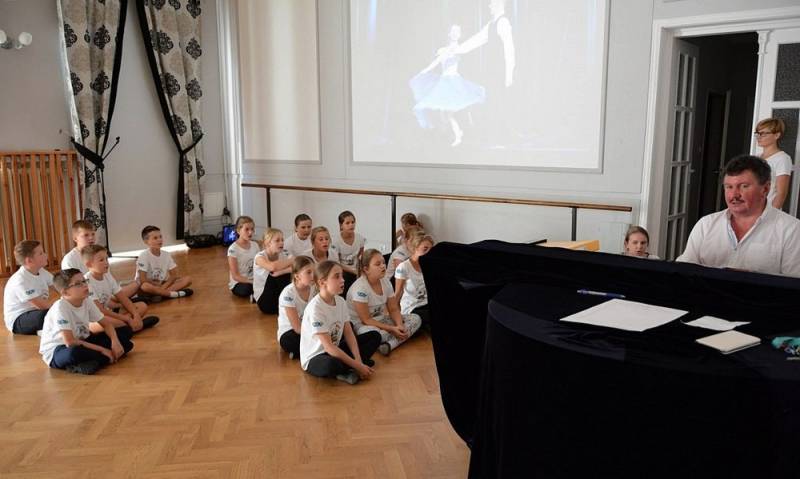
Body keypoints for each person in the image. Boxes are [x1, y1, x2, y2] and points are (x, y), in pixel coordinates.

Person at [677, 154, 800, 277]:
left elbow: (794, 283)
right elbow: (683, 271)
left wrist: (751, 279)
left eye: (744, 186)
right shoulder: (706, 224)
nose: (734, 195)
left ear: (765, 189)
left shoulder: (791, 230)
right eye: (729, 187)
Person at [38, 268, 134, 375]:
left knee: (125, 337)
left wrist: (115, 342)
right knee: (74, 353)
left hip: (83, 341)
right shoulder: (60, 307)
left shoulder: (87, 300)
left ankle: (94, 362)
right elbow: (70, 342)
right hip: (59, 349)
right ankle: (97, 359)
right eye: (78, 284)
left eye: (84, 281)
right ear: (65, 292)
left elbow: (106, 324)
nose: (85, 285)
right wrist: (102, 349)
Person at [300, 261, 380, 385]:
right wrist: (358, 365)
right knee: (331, 364)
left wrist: (358, 361)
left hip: (335, 349)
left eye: (342, 276)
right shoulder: (315, 308)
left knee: (374, 336)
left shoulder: (341, 301)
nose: (343, 280)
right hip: (316, 357)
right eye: (337, 276)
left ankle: (350, 368)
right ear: (322, 282)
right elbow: (328, 347)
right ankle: (349, 369)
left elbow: (349, 334)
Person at [410, 24, 486, 146]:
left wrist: (428, 68)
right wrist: (425, 71)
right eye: (453, 31)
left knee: (452, 109)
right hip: (444, 80)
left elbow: (444, 58)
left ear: (460, 35)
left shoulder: (458, 48)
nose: (456, 33)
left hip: (454, 80)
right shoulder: (442, 50)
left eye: (458, 31)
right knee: (444, 111)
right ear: (449, 33)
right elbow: (437, 61)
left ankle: (460, 133)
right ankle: (456, 133)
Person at [347, 249, 422, 356]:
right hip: (363, 325)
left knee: (416, 318)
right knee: (375, 335)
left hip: (382, 320)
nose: (383, 266)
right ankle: (394, 340)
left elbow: (393, 309)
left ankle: (389, 345)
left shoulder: (386, 282)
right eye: (378, 264)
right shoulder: (360, 288)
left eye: (383, 262)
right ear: (366, 269)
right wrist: (392, 329)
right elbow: (366, 320)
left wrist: (400, 325)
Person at [83, 245, 158, 332]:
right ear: (89, 264)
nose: (106, 262)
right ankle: (133, 326)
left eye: (106, 259)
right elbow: (100, 311)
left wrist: (136, 315)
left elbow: (123, 298)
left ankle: (127, 327)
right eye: (101, 260)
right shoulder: (86, 282)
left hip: (107, 314)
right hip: (93, 320)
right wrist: (127, 319)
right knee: (105, 322)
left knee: (142, 306)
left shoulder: (107, 275)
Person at [62, 219, 139, 299]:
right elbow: (73, 287)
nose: (91, 238)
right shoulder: (69, 259)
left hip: (104, 293)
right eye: (86, 235)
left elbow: (108, 279)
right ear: (75, 238)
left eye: (93, 234)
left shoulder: (98, 253)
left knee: (135, 285)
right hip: (86, 296)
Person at [3, 240, 54, 334]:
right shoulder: (20, 280)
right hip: (19, 319)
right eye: (41, 253)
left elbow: (59, 285)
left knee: (58, 311)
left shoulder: (41, 271)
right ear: (29, 261)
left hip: (35, 312)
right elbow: (42, 305)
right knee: (49, 314)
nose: (46, 255)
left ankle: (47, 329)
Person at [135, 225, 193, 301]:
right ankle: (172, 294)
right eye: (155, 238)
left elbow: (174, 275)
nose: (159, 240)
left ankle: (159, 294)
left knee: (188, 279)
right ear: (146, 241)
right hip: (148, 286)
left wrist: (162, 287)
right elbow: (143, 279)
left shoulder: (166, 255)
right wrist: (156, 284)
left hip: (161, 285)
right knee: (145, 286)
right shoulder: (143, 255)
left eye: (160, 237)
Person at [277, 256, 315, 359]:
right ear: (297, 276)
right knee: (290, 341)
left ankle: (307, 351)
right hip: (292, 332)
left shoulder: (315, 288)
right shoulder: (288, 293)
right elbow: (297, 328)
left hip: (312, 327)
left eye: (314, 271)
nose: (313, 275)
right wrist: (319, 335)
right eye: (308, 272)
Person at [393, 231, 434, 329]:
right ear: (415, 248)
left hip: (426, 304)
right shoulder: (404, 267)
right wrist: (393, 315)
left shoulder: (429, 265)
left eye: (431, 249)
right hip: (412, 308)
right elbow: (398, 293)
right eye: (425, 249)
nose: (429, 252)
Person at [755, 118, 793, 209]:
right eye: (757, 133)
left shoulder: (782, 158)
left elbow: (781, 193)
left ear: (777, 135)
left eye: (763, 134)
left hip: (767, 209)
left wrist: (771, 214)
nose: (759, 137)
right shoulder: (756, 157)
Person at [253, 228, 293, 314]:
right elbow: (272, 267)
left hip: (278, 295)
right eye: (277, 240)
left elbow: (296, 266)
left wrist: (281, 271)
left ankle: (290, 303)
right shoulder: (259, 257)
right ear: (268, 243)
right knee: (277, 274)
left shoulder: (285, 253)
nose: (281, 243)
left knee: (286, 273)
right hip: (264, 301)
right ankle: (288, 304)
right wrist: (291, 261)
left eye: (282, 240)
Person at [332, 210, 365, 293]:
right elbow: (336, 263)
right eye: (347, 223)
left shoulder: (360, 238)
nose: (351, 225)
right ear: (341, 225)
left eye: (353, 222)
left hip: (356, 270)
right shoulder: (335, 241)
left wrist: (360, 271)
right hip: (343, 271)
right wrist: (353, 271)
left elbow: (361, 256)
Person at [227, 215, 259, 298]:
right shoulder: (233, 249)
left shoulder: (255, 245)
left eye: (252, 229)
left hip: (254, 279)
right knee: (246, 289)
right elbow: (235, 276)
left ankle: (256, 293)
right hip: (240, 283)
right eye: (247, 229)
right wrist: (252, 282)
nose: (250, 232)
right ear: (238, 230)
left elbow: (259, 265)